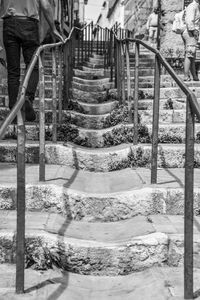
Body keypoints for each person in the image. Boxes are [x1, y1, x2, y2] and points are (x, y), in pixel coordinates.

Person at [0, 0, 64, 122]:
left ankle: (14, 110)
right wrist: (53, 28)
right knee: (33, 65)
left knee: (13, 71)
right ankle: (28, 97)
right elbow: (45, 5)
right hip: (29, 24)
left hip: (9, 24)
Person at [182, 0, 200, 81]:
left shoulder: (196, 5)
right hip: (190, 32)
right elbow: (189, 20)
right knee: (190, 54)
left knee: (192, 56)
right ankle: (186, 76)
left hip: (192, 32)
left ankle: (194, 76)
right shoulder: (193, 6)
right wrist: (194, 31)